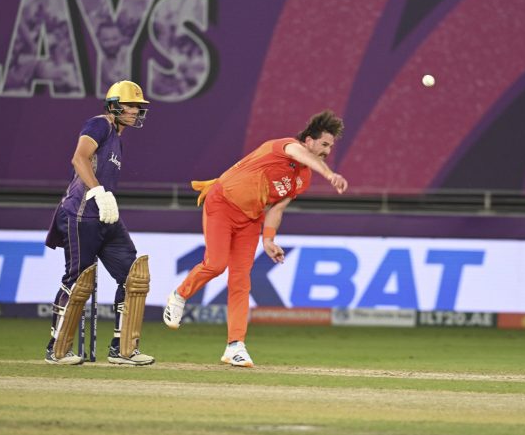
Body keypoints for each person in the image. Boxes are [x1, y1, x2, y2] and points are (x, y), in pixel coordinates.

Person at [163, 110, 348, 367]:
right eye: (324, 144)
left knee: (241, 281)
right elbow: (300, 155)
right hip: (221, 203)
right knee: (216, 264)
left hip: (250, 220)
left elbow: (276, 209)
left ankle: (235, 346)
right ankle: (179, 295)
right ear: (309, 141)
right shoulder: (285, 147)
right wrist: (330, 175)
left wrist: (269, 240)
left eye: (331, 146)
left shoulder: (303, 179)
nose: (327, 150)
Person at [44, 80, 155, 366]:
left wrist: (104, 199)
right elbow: (79, 158)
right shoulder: (99, 124)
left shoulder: (117, 137)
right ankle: (56, 348)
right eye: (131, 105)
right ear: (114, 105)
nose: (135, 111)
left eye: (138, 107)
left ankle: (123, 348)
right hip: (81, 213)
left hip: (105, 216)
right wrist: (96, 191)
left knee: (134, 276)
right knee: (78, 280)